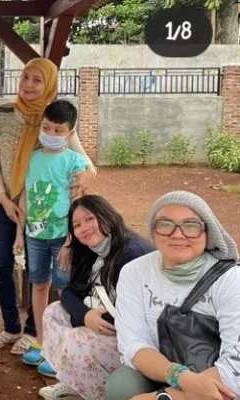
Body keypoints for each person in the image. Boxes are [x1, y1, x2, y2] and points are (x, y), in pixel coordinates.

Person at [0, 57, 96, 354]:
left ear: (49, 85)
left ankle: (34, 331)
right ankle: (10, 327)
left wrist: (86, 176)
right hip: (7, 201)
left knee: (42, 273)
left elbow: (86, 163)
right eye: (25, 77)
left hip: (44, 210)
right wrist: (4, 199)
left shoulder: (54, 118)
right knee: (1, 264)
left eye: (37, 80)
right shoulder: (2, 114)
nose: (28, 84)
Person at [106, 191, 240, 400]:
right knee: (122, 386)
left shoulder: (230, 279)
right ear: (153, 232)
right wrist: (181, 377)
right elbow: (134, 343)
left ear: (208, 233)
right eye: (165, 225)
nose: (178, 234)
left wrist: (164, 397)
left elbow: (236, 362)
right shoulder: (134, 272)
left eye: (191, 226)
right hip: (165, 369)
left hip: (220, 378)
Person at [37, 195, 154, 400]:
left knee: (77, 340)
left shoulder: (131, 254)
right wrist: (85, 316)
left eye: (90, 219)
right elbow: (70, 292)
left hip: (138, 341)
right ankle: (75, 384)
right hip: (104, 321)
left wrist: (88, 320)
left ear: (106, 215)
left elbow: (139, 316)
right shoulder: (90, 251)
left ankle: (95, 394)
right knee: (53, 312)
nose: (85, 227)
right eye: (77, 225)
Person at [14, 99, 89, 368]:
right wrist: (19, 235)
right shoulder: (32, 158)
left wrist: (71, 239)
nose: (52, 134)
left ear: (69, 134)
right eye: (47, 128)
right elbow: (24, 198)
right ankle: (42, 342)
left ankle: (64, 349)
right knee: (39, 284)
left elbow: (77, 203)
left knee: (63, 286)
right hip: (34, 235)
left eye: (58, 131)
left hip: (63, 238)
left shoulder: (74, 161)